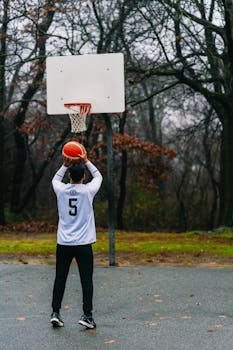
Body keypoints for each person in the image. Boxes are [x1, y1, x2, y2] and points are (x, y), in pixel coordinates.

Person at [50, 146, 103, 329]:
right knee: (86, 280)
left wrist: (65, 164)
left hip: (64, 243)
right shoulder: (88, 191)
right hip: (83, 244)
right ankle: (87, 316)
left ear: (69, 176)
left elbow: (55, 179)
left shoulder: (61, 190)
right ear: (84, 177)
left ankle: (55, 312)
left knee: (60, 278)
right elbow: (99, 177)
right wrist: (86, 160)